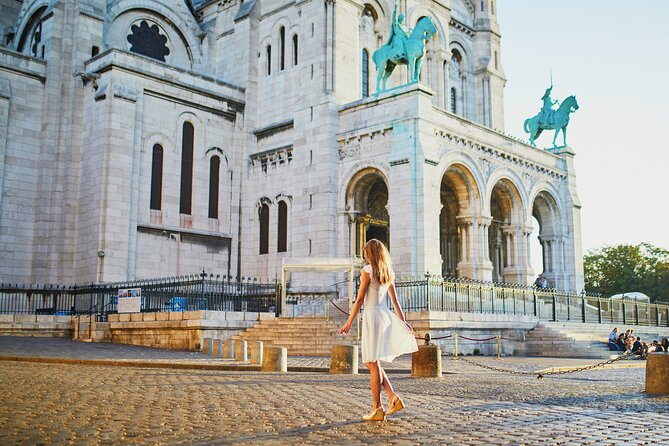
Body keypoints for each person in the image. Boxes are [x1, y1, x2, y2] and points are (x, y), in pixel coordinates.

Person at [340, 239, 418, 421]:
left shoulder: (368, 271)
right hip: (383, 316)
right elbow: (395, 301)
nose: (365, 255)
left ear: (370, 254)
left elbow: (359, 300)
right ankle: (393, 398)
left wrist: (349, 322)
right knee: (372, 363)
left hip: (372, 317)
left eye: (366, 252)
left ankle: (377, 408)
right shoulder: (388, 272)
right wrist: (403, 321)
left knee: (372, 363)